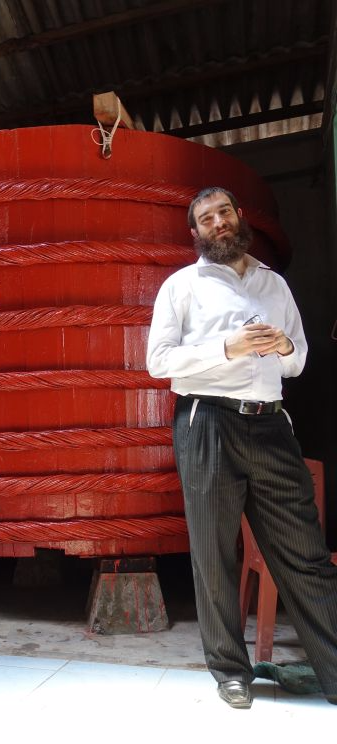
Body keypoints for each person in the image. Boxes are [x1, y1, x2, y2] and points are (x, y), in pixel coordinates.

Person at [146, 186, 337, 709]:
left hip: (270, 423)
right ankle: (231, 671)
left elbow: (297, 361)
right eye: (206, 218)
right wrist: (226, 348)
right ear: (196, 232)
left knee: (305, 553)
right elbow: (158, 361)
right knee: (214, 554)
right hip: (207, 420)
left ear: (239, 217)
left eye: (224, 212)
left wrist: (285, 346)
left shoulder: (274, 284)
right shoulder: (181, 287)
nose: (218, 223)